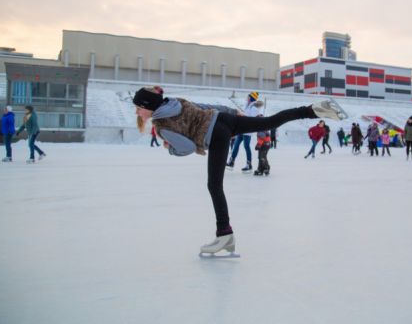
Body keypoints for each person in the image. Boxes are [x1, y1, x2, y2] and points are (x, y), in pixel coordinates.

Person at [132, 86, 343, 256]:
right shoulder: (175, 101)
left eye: (138, 108)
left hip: (215, 135)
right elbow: (205, 105)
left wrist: (171, 149)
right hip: (224, 119)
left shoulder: (161, 126)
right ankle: (314, 109)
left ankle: (225, 234)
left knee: (214, 185)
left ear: (148, 106)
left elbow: (186, 148)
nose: (137, 112)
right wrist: (232, 112)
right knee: (269, 121)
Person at [226, 92, 262, 172]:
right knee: (236, 145)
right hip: (242, 129)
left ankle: (249, 165)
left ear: (251, 98)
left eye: (248, 97)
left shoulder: (254, 108)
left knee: (246, 146)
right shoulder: (247, 106)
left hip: (248, 130)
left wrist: (243, 116)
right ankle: (231, 162)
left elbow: (252, 119)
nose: (247, 98)